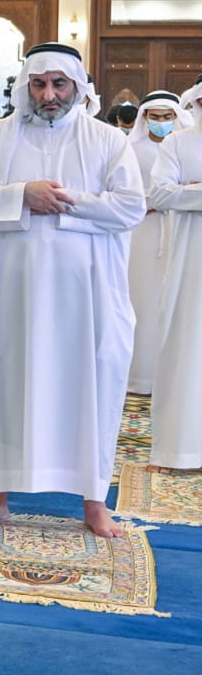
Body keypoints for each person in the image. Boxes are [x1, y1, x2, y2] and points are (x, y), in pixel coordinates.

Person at [0, 44, 146, 537]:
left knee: (90, 386)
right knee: (0, 383)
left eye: (59, 84)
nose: (49, 94)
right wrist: (20, 195)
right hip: (6, 296)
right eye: (39, 84)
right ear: (25, 88)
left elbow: (130, 209)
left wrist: (64, 201)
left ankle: (94, 502)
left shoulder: (107, 141)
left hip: (86, 300)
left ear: (78, 88)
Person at [124, 92, 190, 395]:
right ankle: (140, 376)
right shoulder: (131, 149)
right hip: (142, 234)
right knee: (142, 300)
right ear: (144, 118)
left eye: (167, 117)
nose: (162, 123)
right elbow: (129, 195)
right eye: (156, 117)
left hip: (181, 231)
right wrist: (162, 198)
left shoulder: (183, 147)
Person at [149, 107, 202, 469]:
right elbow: (160, 195)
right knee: (187, 346)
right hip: (190, 264)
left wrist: (191, 190)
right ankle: (180, 449)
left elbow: (177, 193)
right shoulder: (177, 143)